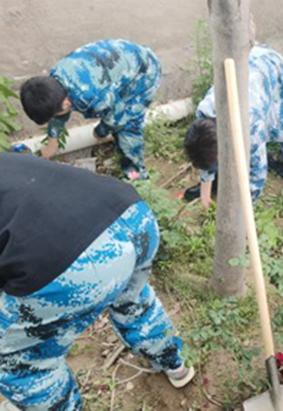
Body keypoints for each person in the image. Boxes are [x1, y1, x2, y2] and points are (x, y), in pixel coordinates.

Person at [0, 153, 194, 411]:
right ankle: (175, 363)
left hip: (75, 262)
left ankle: (51, 401)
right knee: (133, 301)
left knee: (18, 359)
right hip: (133, 217)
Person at [183, 45, 283, 228]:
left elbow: (257, 174)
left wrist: (240, 217)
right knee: (211, 154)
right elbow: (203, 149)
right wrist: (205, 192)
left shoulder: (249, 124)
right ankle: (215, 183)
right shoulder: (204, 112)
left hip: (274, 72)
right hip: (248, 74)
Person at [19, 39, 161, 179]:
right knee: (116, 119)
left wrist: (101, 131)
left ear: (66, 104)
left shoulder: (93, 99)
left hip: (143, 72)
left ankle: (138, 177)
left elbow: (117, 117)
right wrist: (52, 141)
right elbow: (58, 113)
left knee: (128, 127)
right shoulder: (53, 82)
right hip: (121, 59)